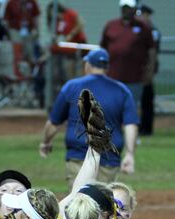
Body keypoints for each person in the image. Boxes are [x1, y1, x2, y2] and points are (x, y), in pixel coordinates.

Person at [40, 48, 138, 182]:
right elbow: (130, 125)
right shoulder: (122, 90)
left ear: (88, 65)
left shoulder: (71, 86)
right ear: (106, 67)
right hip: (109, 159)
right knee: (103, 201)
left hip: (78, 157)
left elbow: (53, 123)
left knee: (79, 200)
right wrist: (130, 154)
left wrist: (46, 142)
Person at [100, 0, 155, 104]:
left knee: (130, 110)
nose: (126, 10)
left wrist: (150, 71)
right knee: (112, 109)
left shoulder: (143, 28)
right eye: (124, 7)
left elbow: (151, 51)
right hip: (112, 77)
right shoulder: (111, 25)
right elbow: (103, 48)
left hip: (134, 79)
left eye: (128, 8)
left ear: (134, 9)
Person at [137, 4, 160, 136]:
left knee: (147, 99)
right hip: (136, 69)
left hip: (148, 68)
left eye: (142, 14)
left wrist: (150, 70)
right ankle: (140, 127)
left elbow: (153, 51)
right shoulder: (138, 29)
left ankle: (147, 128)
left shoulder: (153, 30)